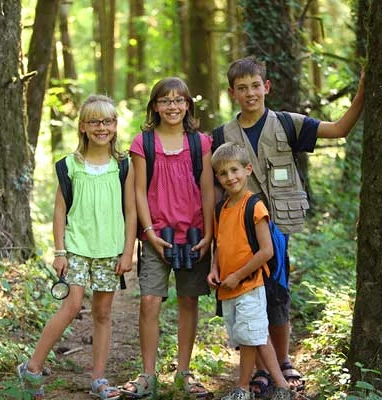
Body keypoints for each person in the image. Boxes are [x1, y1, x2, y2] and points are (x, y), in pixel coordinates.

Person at [211, 56, 365, 397]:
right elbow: (209, 186)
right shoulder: (221, 135)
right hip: (238, 232)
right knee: (246, 297)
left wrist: (363, 91)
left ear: (266, 87)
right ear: (232, 92)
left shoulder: (286, 123)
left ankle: (281, 361)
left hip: (275, 228)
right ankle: (260, 371)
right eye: (242, 88)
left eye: (255, 86)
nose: (250, 93)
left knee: (276, 294)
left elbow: (339, 129)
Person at [17, 94, 137, 400]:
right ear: (83, 126)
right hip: (77, 248)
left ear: (115, 126)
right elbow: (60, 211)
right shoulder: (70, 165)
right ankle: (31, 369)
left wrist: (127, 252)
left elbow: (131, 211)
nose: (102, 127)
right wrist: (59, 251)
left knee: (103, 312)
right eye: (94, 121)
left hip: (109, 250)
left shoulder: (123, 165)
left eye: (108, 121)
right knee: (70, 306)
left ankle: (98, 378)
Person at [121, 77, 215, 398]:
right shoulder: (143, 143)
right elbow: (139, 193)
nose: (172, 106)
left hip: (193, 235)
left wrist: (209, 235)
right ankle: (147, 375)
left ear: (187, 105)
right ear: (155, 106)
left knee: (189, 300)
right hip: (156, 235)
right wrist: (148, 233)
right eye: (165, 101)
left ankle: (184, 373)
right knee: (149, 301)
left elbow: (206, 190)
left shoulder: (200, 143)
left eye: (178, 100)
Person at [208, 142, 293, 400]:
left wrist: (238, 276)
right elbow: (219, 245)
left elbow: (266, 251)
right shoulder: (220, 209)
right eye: (223, 173)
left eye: (234, 170)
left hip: (250, 284)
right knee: (255, 335)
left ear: (247, 170)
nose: (229, 177)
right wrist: (214, 269)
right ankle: (282, 386)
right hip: (229, 287)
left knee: (248, 337)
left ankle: (242, 388)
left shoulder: (254, 206)